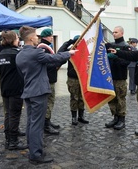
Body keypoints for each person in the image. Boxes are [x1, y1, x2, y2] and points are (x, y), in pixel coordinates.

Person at [16, 26, 78, 165]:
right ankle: (36, 154)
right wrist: (70, 53)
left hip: (28, 91)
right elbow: (54, 58)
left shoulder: (19, 55)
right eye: (36, 36)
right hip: (38, 92)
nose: (38, 38)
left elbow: (21, 75)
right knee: (37, 124)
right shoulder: (35, 53)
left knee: (31, 123)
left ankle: (33, 148)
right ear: (31, 38)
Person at [0, 30, 27, 150]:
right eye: (17, 38)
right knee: (14, 114)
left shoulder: (1, 53)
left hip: (5, 88)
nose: (19, 40)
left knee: (8, 114)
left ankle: (8, 138)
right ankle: (13, 141)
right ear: (12, 40)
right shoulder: (16, 53)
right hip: (15, 88)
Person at [58, 36, 90, 126]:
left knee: (81, 98)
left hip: (82, 77)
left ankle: (81, 116)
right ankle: (74, 117)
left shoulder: (85, 50)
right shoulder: (70, 50)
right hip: (73, 78)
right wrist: (69, 42)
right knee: (74, 97)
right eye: (77, 42)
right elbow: (60, 53)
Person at [104, 26, 131, 130]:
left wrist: (116, 58)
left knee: (120, 98)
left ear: (122, 33)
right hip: (110, 77)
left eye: (116, 32)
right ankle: (115, 117)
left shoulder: (125, 46)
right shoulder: (111, 45)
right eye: (113, 32)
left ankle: (121, 119)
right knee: (112, 99)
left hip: (120, 77)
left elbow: (127, 62)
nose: (114, 34)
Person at [39, 28, 61, 135]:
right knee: (49, 101)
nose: (52, 38)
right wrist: (56, 63)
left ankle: (48, 121)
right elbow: (45, 64)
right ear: (45, 37)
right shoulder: (43, 48)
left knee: (50, 101)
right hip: (47, 79)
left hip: (50, 78)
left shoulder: (48, 47)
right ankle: (46, 125)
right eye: (50, 36)